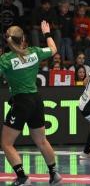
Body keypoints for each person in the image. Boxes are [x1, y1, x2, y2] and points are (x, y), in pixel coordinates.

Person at [0, 22, 62, 185]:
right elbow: (54, 50)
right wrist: (47, 33)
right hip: (36, 100)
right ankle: (54, 174)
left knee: (6, 143)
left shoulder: (6, 60)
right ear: (23, 39)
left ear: (9, 41)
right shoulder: (34, 53)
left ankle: (22, 177)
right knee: (41, 140)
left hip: (21, 102)